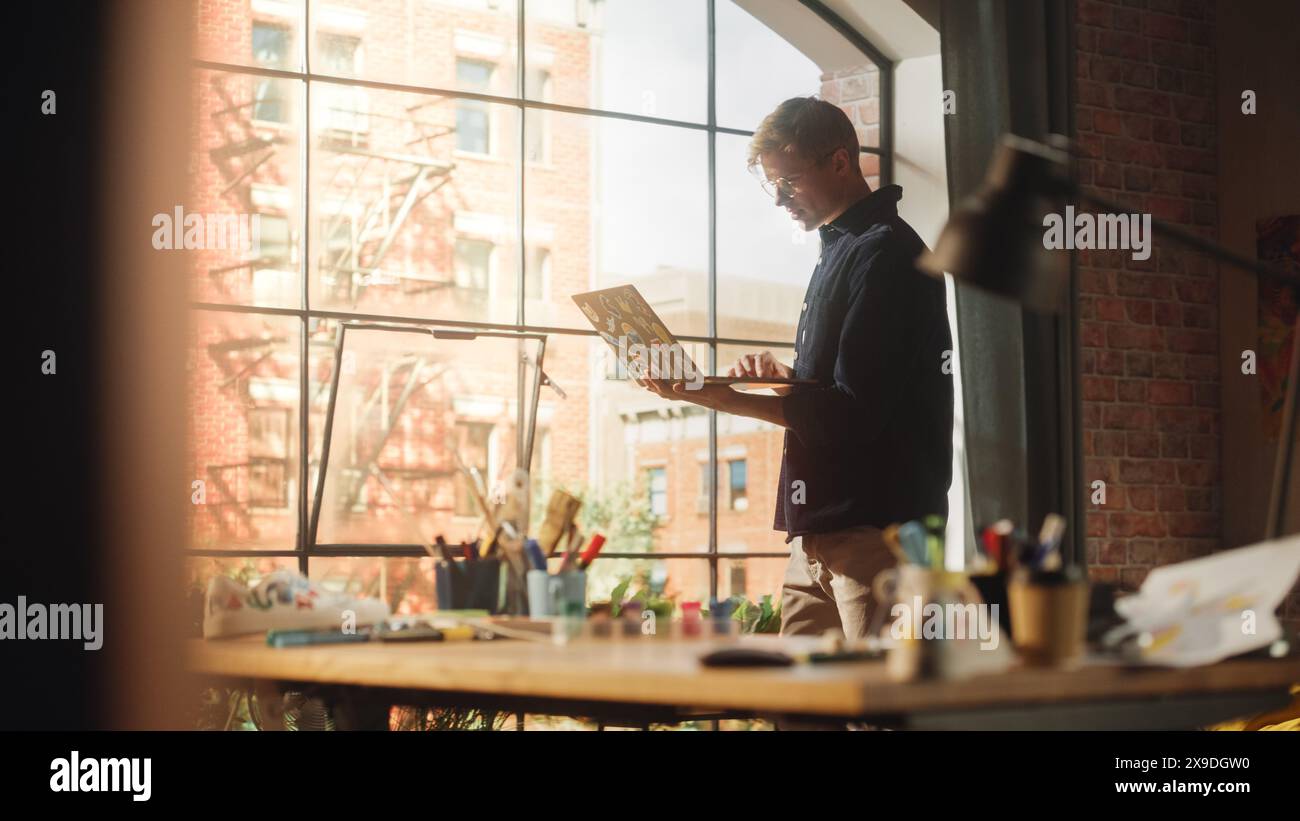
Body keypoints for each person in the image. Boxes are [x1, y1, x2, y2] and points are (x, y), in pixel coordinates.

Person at [642, 96, 953, 641]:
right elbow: (845, 388)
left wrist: (711, 396)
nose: (780, 199)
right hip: (817, 535)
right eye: (773, 185)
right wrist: (786, 377)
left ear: (839, 162)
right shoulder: (841, 249)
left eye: (789, 181)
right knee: (800, 711)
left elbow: (852, 414)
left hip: (878, 535)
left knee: (878, 714)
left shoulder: (887, 256)